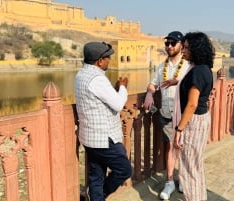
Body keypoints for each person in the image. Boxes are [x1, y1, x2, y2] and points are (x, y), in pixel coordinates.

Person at [74, 41, 132, 201]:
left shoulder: (80, 75)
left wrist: (114, 91)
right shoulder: (97, 78)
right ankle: (96, 195)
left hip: (89, 137)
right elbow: (119, 104)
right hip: (104, 138)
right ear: (100, 61)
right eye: (108, 58)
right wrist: (122, 87)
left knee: (97, 175)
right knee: (124, 170)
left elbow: (98, 99)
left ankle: (96, 196)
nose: (109, 61)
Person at [143, 31, 190, 200]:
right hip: (165, 113)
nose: (169, 46)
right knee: (170, 146)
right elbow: (152, 84)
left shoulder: (188, 65)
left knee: (184, 147)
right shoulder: (161, 67)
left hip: (183, 114)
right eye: (167, 43)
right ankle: (169, 181)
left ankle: (184, 178)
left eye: (173, 43)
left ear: (181, 45)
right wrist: (149, 93)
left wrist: (176, 81)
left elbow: (194, 84)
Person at [173, 32, 215, 201]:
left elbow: (192, 103)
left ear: (197, 49)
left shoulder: (198, 71)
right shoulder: (204, 69)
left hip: (193, 121)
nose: (183, 51)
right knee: (195, 166)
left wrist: (179, 128)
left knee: (188, 168)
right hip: (201, 119)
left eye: (187, 48)